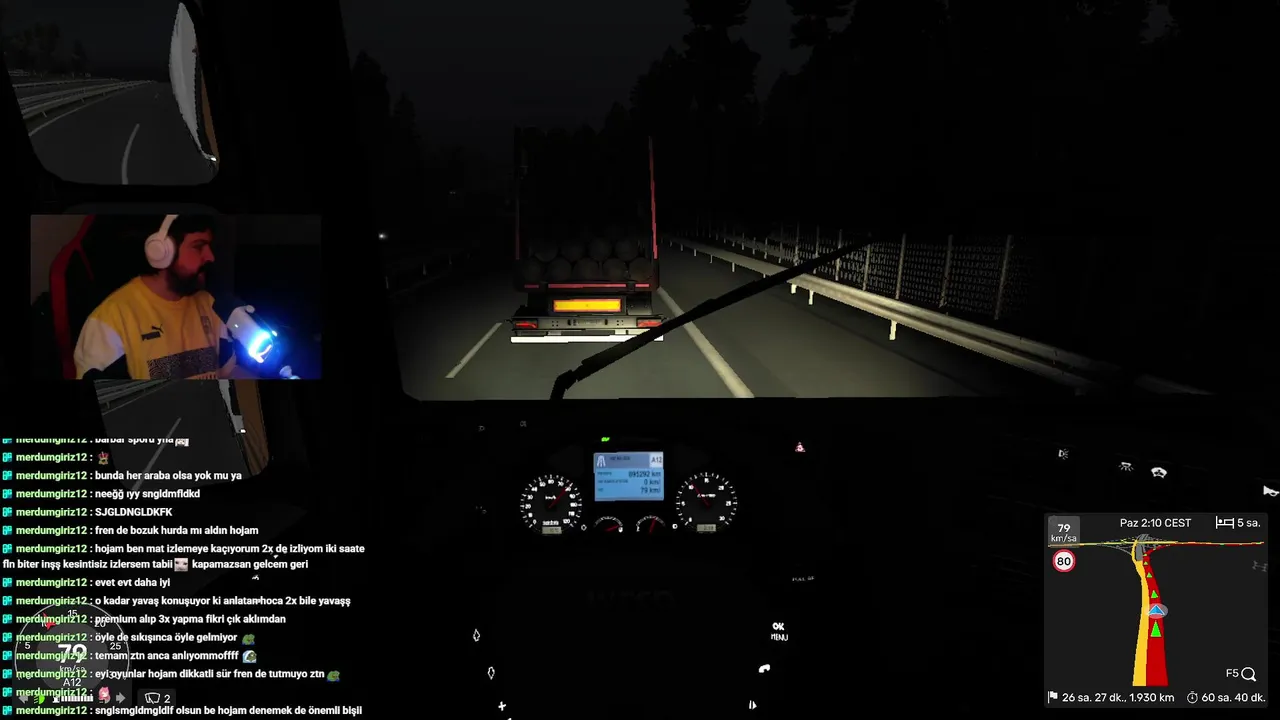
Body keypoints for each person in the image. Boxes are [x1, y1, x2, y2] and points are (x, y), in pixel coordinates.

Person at [74, 215, 237, 380]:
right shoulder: (109, 321)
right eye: (198, 246)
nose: (210, 257)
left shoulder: (210, 304)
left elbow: (228, 373)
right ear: (161, 251)